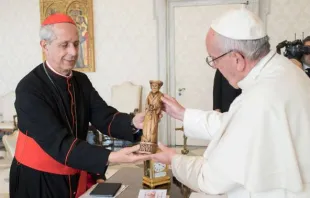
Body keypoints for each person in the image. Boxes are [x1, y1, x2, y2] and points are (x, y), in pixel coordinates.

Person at [152, 8, 310, 198]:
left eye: (214, 59)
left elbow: (211, 179)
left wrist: (172, 159)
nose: (215, 66)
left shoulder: (259, 99)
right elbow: (235, 125)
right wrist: (183, 114)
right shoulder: (284, 70)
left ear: (237, 59)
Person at [10, 13, 149, 198]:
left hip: (76, 169)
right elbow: (58, 142)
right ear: (45, 46)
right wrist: (111, 156)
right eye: (64, 45)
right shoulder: (29, 89)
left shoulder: (80, 80)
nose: (74, 52)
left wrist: (134, 122)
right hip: (39, 180)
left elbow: (103, 115)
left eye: (76, 44)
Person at [140, 80, 163, 154]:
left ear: (159, 87)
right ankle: (145, 143)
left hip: (154, 115)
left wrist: (156, 107)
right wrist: (148, 107)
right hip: (148, 114)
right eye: (153, 86)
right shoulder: (149, 94)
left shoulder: (160, 95)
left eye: (156, 86)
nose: (154, 87)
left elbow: (161, 105)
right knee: (146, 128)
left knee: (153, 129)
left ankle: (152, 144)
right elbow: (146, 103)